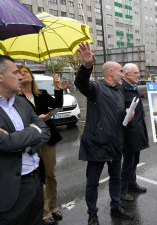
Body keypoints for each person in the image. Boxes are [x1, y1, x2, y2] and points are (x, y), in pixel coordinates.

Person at [74, 42, 134, 225]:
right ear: (110, 73)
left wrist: (126, 114)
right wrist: (86, 66)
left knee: (116, 178)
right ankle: (92, 214)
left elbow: (114, 113)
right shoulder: (96, 89)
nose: (123, 75)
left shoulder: (118, 92)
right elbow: (80, 83)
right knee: (93, 182)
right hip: (96, 144)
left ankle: (116, 207)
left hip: (115, 143)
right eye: (120, 72)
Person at [0, 55, 50, 225]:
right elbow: (7, 143)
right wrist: (33, 131)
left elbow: (44, 130)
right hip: (10, 189)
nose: (21, 76)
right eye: (15, 72)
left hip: (35, 180)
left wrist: (23, 139)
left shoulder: (21, 102)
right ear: (0, 77)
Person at [17, 66, 63, 225]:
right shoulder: (16, 97)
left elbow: (58, 104)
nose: (22, 75)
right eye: (19, 73)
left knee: (50, 174)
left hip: (48, 137)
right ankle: (44, 212)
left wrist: (57, 86)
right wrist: (37, 119)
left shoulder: (41, 93)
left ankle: (53, 207)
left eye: (25, 72)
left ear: (31, 75)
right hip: (30, 140)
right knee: (37, 176)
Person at [119, 63, 149, 202]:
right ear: (126, 75)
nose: (138, 75)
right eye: (135, 73)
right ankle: (122, 191)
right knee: (128, 163)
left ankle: (132, 184)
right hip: (128, 132)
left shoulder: (134, 87)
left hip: (137, 130)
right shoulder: (122, 89)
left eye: (138, 72)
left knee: (135, 161)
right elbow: (119, 111)